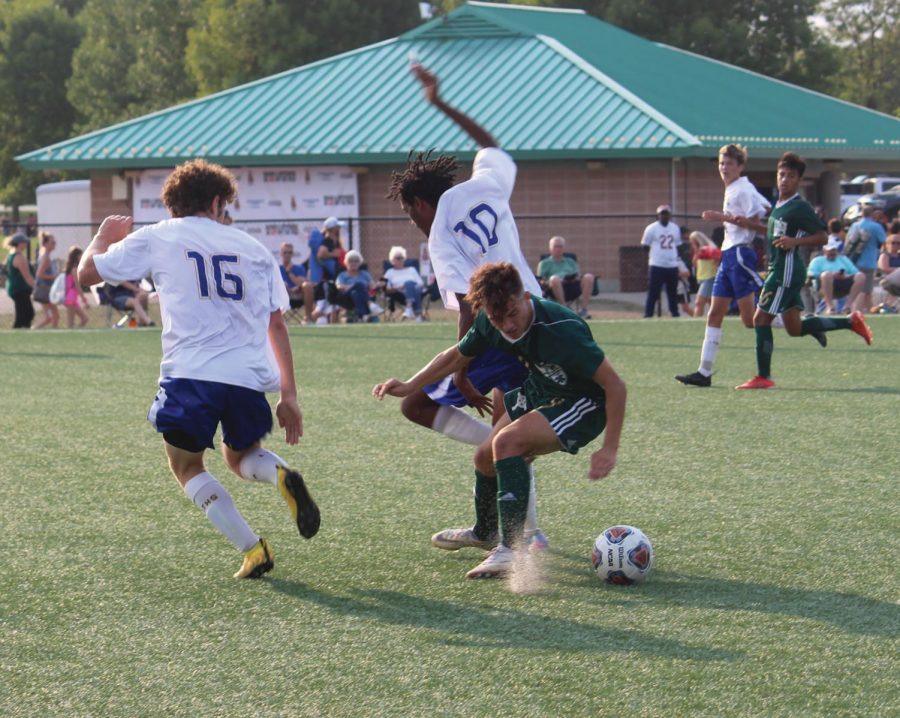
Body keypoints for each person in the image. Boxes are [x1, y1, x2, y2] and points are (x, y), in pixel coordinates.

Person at [76, 159, 319, 579]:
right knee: (239, 455)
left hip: (189, 374)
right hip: (246, 377)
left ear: (172, 205)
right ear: (217, 200)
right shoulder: (254, 247)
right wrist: (289, 396)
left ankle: (253, 549)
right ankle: (278, 472)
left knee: (186, 466)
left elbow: (85, 275)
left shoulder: (159, 236)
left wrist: (101, 237)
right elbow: (276, 322)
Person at [373, 262, 626, 578]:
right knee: (485, 456)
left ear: (526, 297)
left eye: (512, 314)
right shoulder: (490, 321)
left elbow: (615, 385)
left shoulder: (560, 330)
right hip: (542, 389)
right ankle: (485, 533)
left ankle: (511, 549)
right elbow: (456, 356)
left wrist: (609, 449)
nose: (507, 325)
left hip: (583, 402)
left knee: (507, 443)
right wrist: (411, 384)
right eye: (497, 318)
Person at [386, 63, 549, 551]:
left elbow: (467, 307)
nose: (411, 221)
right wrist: (439, 102)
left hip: (500, 327)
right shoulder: (487, 185)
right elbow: (489, 141)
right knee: (505, 426)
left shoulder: (438, 234)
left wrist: (460, 371)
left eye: (408, 211)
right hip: (539, 313)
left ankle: (511, 538)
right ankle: (525, 530)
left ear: (419, 203)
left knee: (418, 403)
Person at [735, 153, 872, 390]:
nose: (784, 179)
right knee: (794, 329)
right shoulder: (780, 204)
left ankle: (763, 376)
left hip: (785, 271)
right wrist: (750, 225)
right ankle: (850, 322)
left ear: (798, 180)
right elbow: (775, 232)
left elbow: (822, 236)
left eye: (790, 176)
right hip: (782, 270)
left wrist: (794, 242)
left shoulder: (800, 207)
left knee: (760, 319)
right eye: (781, 175)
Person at [676, 144, 771, 387]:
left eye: (729, 163)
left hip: (740, 254)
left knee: (749, 320)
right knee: (715, 313)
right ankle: (704, 372)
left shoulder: (742, 188)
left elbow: (757, 218)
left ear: (740, 166)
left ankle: (799, 322)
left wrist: (720, 217)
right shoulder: (736, 188)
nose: (724, 168)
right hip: (728, 255)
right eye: (721, 163)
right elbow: (765, 206)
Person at [536, 235, 594, 318]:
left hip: (572, 286)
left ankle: (584, 310)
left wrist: (572, 279)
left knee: (589, 277)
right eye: (556, 246)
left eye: (560, 246)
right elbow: (541, 281)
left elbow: (578, 275)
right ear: (550, 248)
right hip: (554, 288)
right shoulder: (544, 263)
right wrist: (557, 280)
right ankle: (565, 309)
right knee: (554, 279)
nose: (558, 249)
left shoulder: (571, 261)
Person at [640, 205, 683, 317]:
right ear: (657, 215)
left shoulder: (675, 228)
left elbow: (677, 245)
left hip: (672, 265)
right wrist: (656, 255)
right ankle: (648, 314)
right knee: (653, 292)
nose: (664, 216)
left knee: (672, 292)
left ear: (670, 215)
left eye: (666, 214)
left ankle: (674, 313)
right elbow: (645, 246)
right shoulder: (651, 228)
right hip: (657, 264)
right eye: (662, 214)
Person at [844, 205, 886, 313]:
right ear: (872, 214)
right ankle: (856, 311)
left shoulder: (855, 225)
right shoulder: (876, 226)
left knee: (866, 290)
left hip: (853, 262)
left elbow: (848, 242)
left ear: (861, 214)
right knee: (864, 290)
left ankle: (870, 310)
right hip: (869, 261)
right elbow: (883, 240)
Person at [807, 238, 864, 314]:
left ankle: (847, 307)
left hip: (843, 284)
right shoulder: (817, 261)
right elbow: (811, 274)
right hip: (823, 286)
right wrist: (832, 275)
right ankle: (831, 307)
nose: (832, 252)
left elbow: (855, 272)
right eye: (830, 250)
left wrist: (845, 276)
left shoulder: (843, 259)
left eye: (834, 250)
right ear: (824, 250)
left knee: (861, 276)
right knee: (826, 275)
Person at [382, 245, 425, 321]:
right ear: (392, 260)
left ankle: (409, 307)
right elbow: (386, 288)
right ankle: (418, 316)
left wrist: (409, 286)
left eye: (402, 258)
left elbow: (421, 283)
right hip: (399, 294)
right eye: (398, 258)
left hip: (414, 290)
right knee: (413, 287)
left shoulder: (412, 269)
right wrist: (401, 287)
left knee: (413, 286)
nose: (400, 260)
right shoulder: (389, 272)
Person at [335, 249, 379, 322]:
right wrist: (354, 286)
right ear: (346, 263)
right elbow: (339, 286)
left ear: (359, 263)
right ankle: (370, 304)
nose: (353, 263)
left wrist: (377, 284)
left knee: (355, 293)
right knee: (359, 284)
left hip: (361, 295)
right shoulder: (342, 275)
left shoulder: (364, 274)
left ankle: (363, 316)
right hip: (346, 297)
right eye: (351, 261)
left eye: (356, 261)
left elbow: (372, 286)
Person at [5, 234, 35, 328]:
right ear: (20, 243)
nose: (26, 244)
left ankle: (24, 332)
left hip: (16, 289)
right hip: (19, 290)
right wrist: (36, 287)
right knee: (25, 314)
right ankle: (16, 335)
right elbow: (27, 276)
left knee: (27, 313)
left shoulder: (11, 254)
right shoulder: (19, 257)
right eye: (25, 242)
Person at [689, 231, 720, 318]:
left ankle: (696, 320)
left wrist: (715, 263)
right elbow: (695, 264)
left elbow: (717, 258)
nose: (691, 243)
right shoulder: (700, 251)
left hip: (709, 277)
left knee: (699, 302)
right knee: (711, 303)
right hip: (702, 278)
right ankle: (714, 320)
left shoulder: (707, 249)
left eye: (693, 241)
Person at [32, 232, 60, 329]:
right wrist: (53, 276)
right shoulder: (46, 257)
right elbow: (39, 274)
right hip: (45, 289)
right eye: (52, 242)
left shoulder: (43, 254)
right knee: (55, 316)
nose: (54, 244)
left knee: (48, 317)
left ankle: (33, 329)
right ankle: (54, 337)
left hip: (44, 288)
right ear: (45, 243)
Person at [60, 246, 91, 328]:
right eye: (81, 255)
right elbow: (77, 286)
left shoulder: (72, 268)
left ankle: (74, 332)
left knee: (85, 319)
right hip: (70, 297)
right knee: (70, 324)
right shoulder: (74, 269)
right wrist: (84, 299)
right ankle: (68, 336)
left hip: (73, 298)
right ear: (76, 256)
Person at [874, 222, 900, 313]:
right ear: (887, 244)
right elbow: (884, 268)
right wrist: (897, 270)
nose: (896, 245)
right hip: (887, 279)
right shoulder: (885, 255)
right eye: (893, 243)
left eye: (898, 243)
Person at [278, 242, 307, 311]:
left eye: (289, 253)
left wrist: (289, 272)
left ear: (292, 254)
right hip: (281, 298)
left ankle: (308, 318)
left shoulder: (299, 268)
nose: (287, 255)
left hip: (297, 296)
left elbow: (301, 283)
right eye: (285, 252)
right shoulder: (277, 269)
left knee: (307, 286)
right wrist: (288, 289)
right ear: (281, 254)